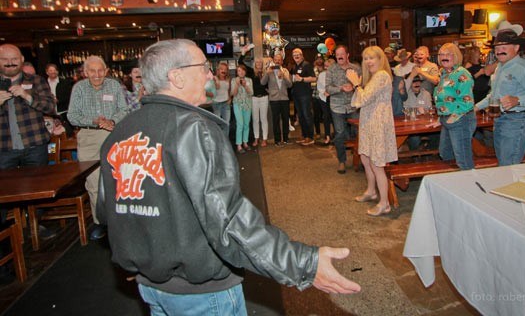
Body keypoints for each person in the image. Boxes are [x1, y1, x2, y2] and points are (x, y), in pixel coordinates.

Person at [96, 39, 360, 314]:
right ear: (177, 77)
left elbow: (108, 212)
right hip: (203, 291)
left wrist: (137, 259)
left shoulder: (121, 131)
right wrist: (303, 263)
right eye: (203, 67)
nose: (210, 74)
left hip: (151, 287)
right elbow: (227, 219)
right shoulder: (193, 130)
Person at [1, 44, 57, 254]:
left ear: (21, 59)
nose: (10, 62)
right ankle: (8, 236)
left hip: (34, 144)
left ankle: (35, 225)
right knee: (4, 196)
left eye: (14, 58)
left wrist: (27, 97)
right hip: (4, 148)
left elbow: (51, 107)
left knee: (38, 192)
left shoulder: (35, 81)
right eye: (5, 59)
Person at [475, 22, 525, 166]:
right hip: (501, 120)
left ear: (516, 48)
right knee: (504, 163)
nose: (499, 51)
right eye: (497, 48)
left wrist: (518, 100)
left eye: (504, 47)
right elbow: (494, 96)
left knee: (509, 165)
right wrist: (475, 107)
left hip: (518, 120)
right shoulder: (500, 67)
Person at [67, 55, 128, 240]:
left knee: (118, 179)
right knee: (93, 183)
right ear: (85, 72)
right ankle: (101, 222)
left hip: (113, 134)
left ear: (106, 71)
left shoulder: (114, 86)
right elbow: (72, 116)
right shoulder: (79, 88)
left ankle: (121, 221)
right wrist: (94, 121)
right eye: (92, 71)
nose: (96, 74)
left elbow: (124, 110)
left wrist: (111, 121)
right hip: (88, 137)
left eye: (100, 70)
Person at [346, 46, 397, 216]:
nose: (368, 62)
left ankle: (385, 203)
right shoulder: (374, 77)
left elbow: (364, 97)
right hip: (368, 122)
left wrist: (355, 84)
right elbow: (360, 101)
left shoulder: (382, 75)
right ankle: (371, 191)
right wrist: (357, 86)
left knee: (377, 164)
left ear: (380, 59)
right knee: (365, 158)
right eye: (365, 58)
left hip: (378, 123)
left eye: (371, 58)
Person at [429, 43, 476, 170]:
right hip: (447, 120)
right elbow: (445, 99)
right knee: (445, 154)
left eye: (448, 54)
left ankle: (470, 186)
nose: (444, 57)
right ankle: (454, 183)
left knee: (463, 159)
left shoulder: (461, 73)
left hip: (461, 119)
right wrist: (441, 118)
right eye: (442, 54)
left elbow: (467, 101)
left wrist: (452, 117)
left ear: (455, 56)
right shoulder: (444, 74)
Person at [326, 45, 361, 174]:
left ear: (347, 55)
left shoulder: (356, 68)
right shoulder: (331, 69)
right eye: (337, 54)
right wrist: (341, 88)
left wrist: (354, 86)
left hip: (354, 106)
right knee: (340, 134)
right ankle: (342, 161)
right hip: (337, 107)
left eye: (342, 54)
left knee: (358, 133)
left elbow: (363, 84)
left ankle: (360, 159)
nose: (339, 56)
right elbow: (328, 88)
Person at [261, 53, 293, 146]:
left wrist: (284, 76)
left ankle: (286, 139)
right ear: (273, 61)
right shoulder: (269, 71)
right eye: (276, 59)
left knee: (285, 119)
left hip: (284, 99)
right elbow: (262, 83)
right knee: (276, 120)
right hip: (274, 99)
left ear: (282, 61)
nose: (277, 61)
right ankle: (277, 140)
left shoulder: (285, 71)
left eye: (279, 60)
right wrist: (267, 73)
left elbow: (290, 84)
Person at [291, 48, 316, 145]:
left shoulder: (307, 65)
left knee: (307, 115)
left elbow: (313, 78)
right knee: (300, 116)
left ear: (302, 55)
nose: (296, 56)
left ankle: (310, 137)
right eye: (294, 55)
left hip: (305, 95)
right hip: (296, 95)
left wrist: (302, 79)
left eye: (298, 54)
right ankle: (304, 135)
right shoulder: (294, 67)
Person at [231, 64, 253, 153]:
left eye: (243, 70)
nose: (241, 72)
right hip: (238, 105)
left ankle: (245, 143)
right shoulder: (233, 80)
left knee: (246, 124)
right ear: (237, 72)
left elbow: (251, 93)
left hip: (247, 105)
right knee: (240, 124)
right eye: (239, 70)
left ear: (245, 71)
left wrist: (245, 86)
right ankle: (239, 145)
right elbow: (233, 94)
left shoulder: (249, 80)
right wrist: (237, 84)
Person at [250, 58, 270, 147]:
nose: (258, 63)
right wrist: (243, 53)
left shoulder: (266, 73)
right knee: (255, 120)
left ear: (262, 64)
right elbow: (240, 62)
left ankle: (265, 139)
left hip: (264, 98)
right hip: (254, 98)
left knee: (264, 119)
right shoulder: (251, 73)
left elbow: (268, 85)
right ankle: (256, 138)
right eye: (257, 62)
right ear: (254, 64)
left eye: (260, 62)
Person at [316, 58, 335, 145]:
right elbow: (319, 86)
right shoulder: (322, 75)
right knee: (326, 117)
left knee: (335, 117)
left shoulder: (336, 74)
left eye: (328, 66)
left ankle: (336, 136)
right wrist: (324, 92)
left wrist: (331, 92)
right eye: (325, 66)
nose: (326, 68)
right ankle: (327, 136)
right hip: (324, 98)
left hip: (334, 98)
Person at [212, 62, 232, 136]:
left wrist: (230, 98)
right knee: (217, 124)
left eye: (225, 69)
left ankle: (225, 141)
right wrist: (216, 82)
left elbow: (229, 90)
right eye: (221, 69)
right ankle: (218, 140)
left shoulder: (228, 79)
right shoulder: (214, 78)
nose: (223, 71)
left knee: (226, 123)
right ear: (218, 70)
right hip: (216, 103)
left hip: (226, 103)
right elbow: (214, 89)